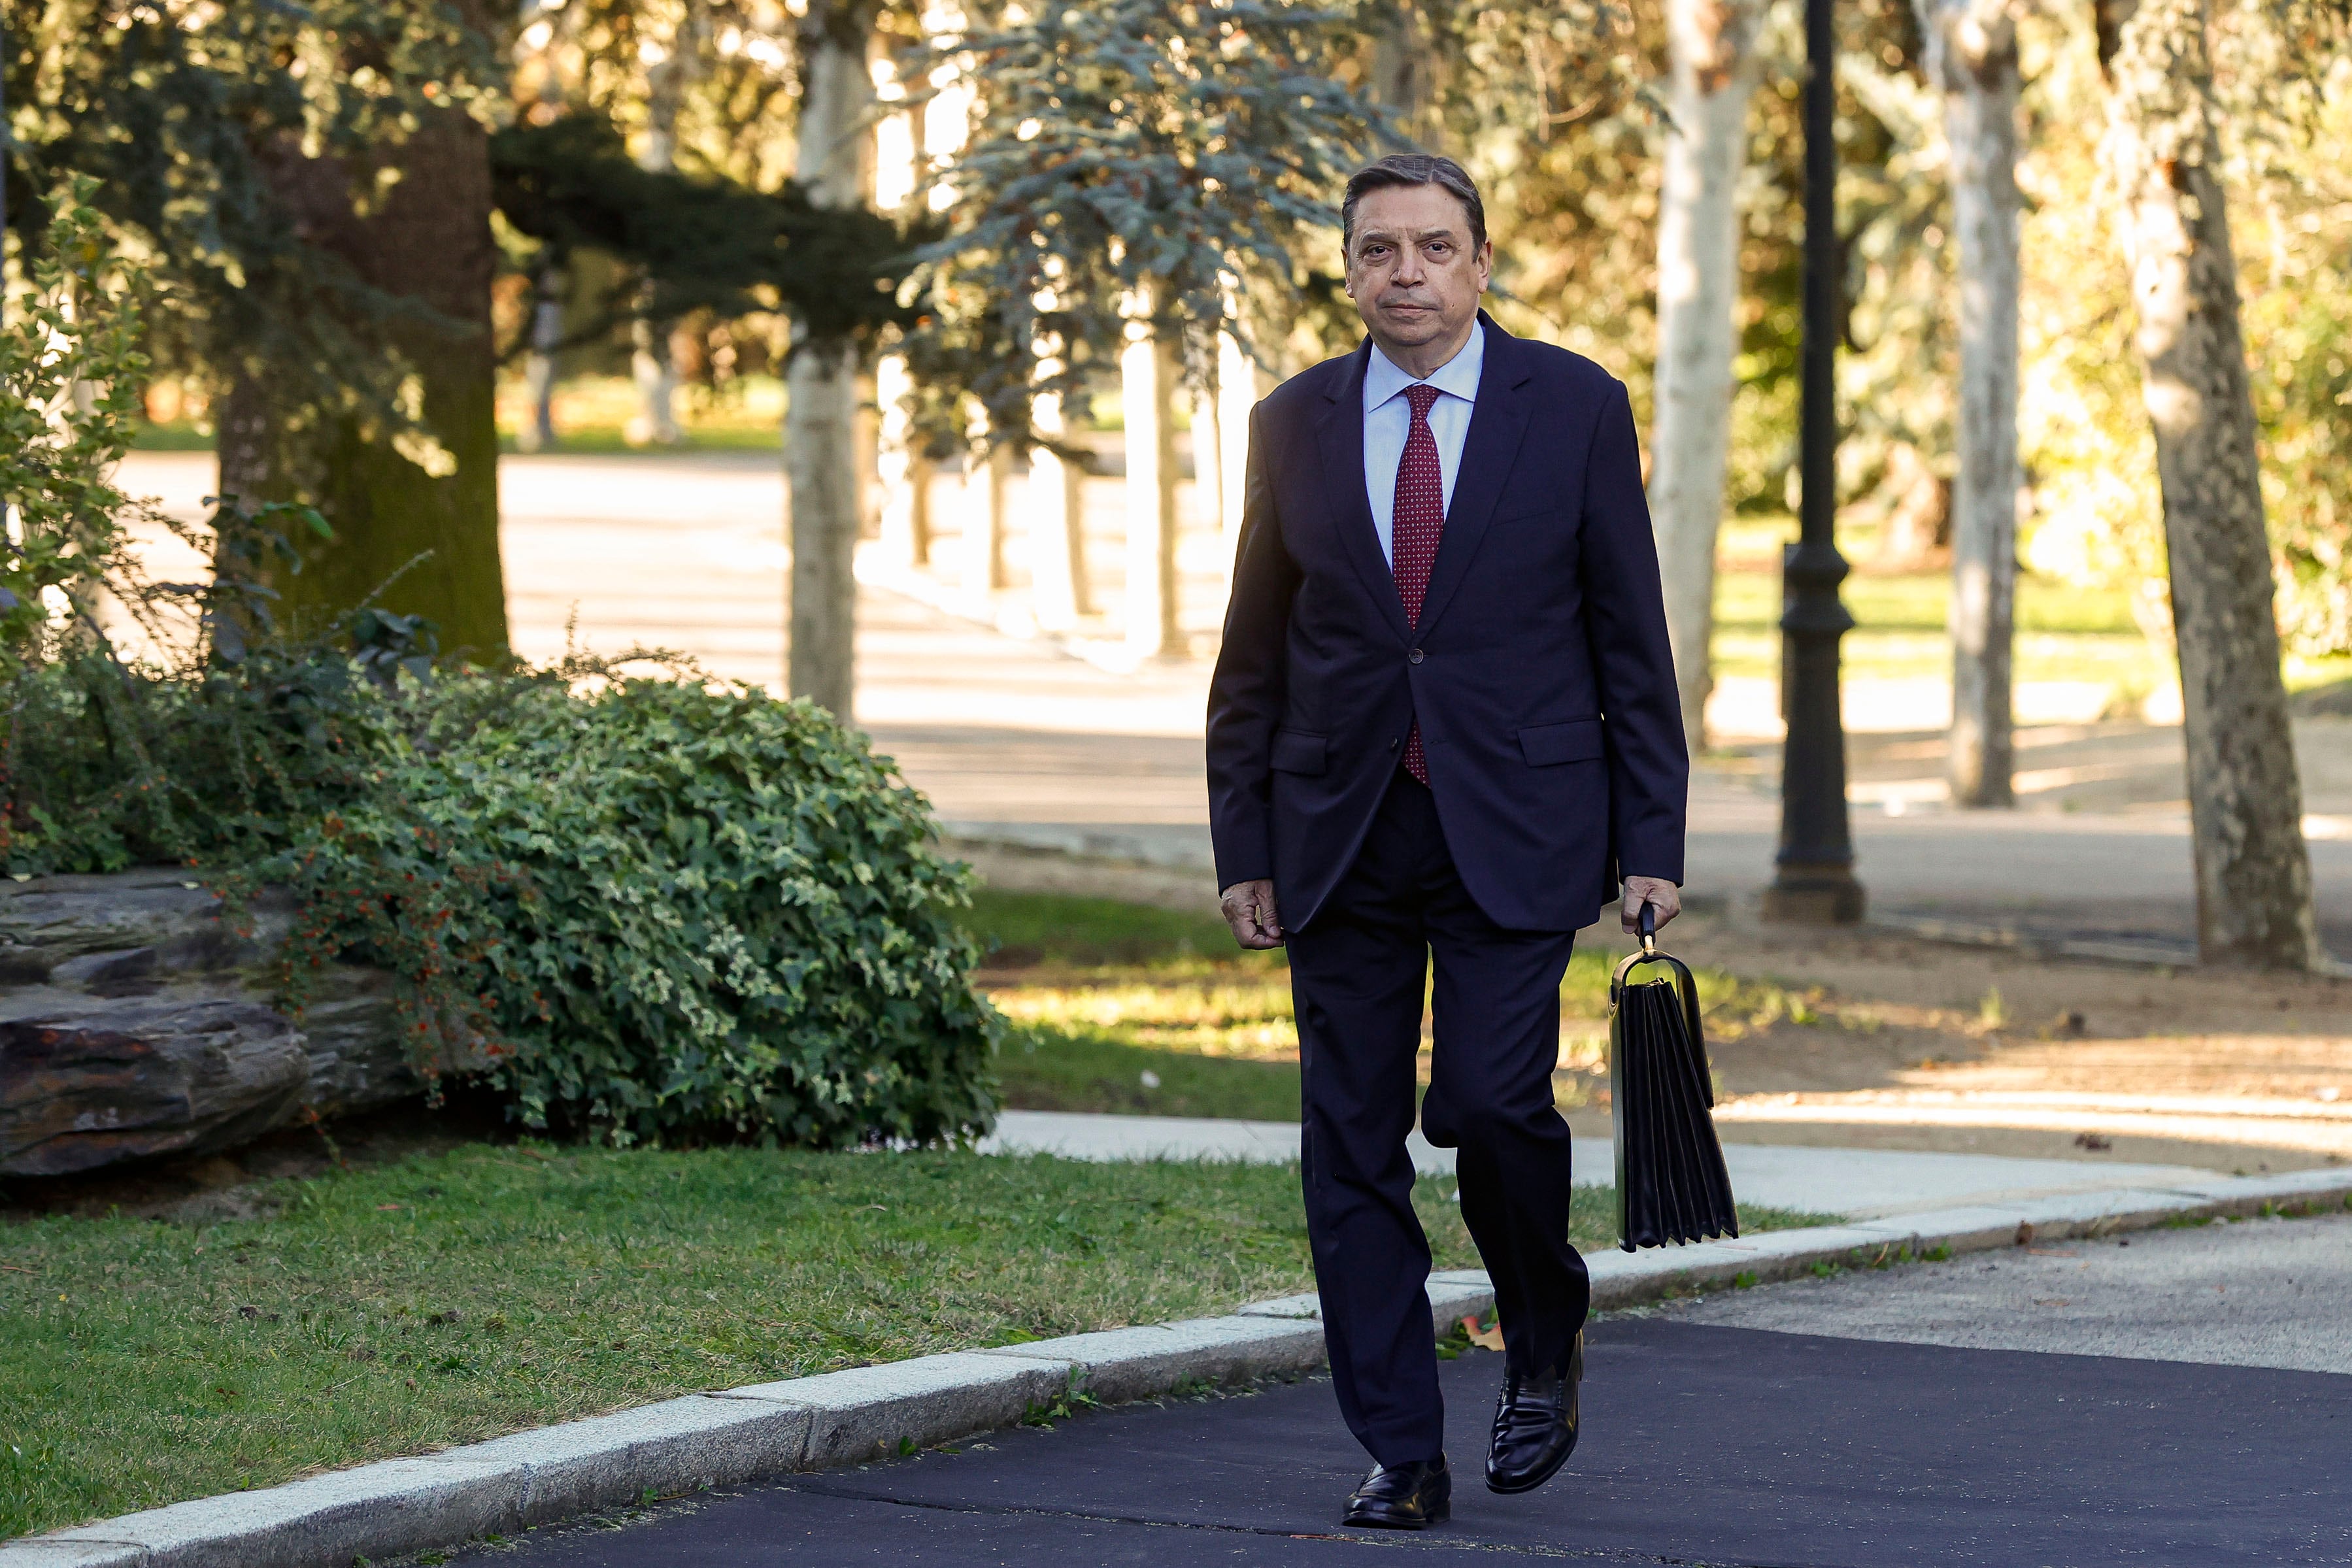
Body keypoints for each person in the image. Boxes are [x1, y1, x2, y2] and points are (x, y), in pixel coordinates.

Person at [1205, 153, 1690, 1530]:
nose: (1403, 273)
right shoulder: (1292, 420)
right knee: (1347, 1143)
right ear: (1347, 272)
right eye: (1376, 252)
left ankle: (1542, 1329)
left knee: (1488, 1103)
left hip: (1522, 822)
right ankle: (1398, 1448)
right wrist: (1243, 838)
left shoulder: (1575, 408)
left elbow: (1625, 633)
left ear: (1479, 264)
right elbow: (1252, 648)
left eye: (1431, 248)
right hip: (1336, 829)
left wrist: (1648, 831)